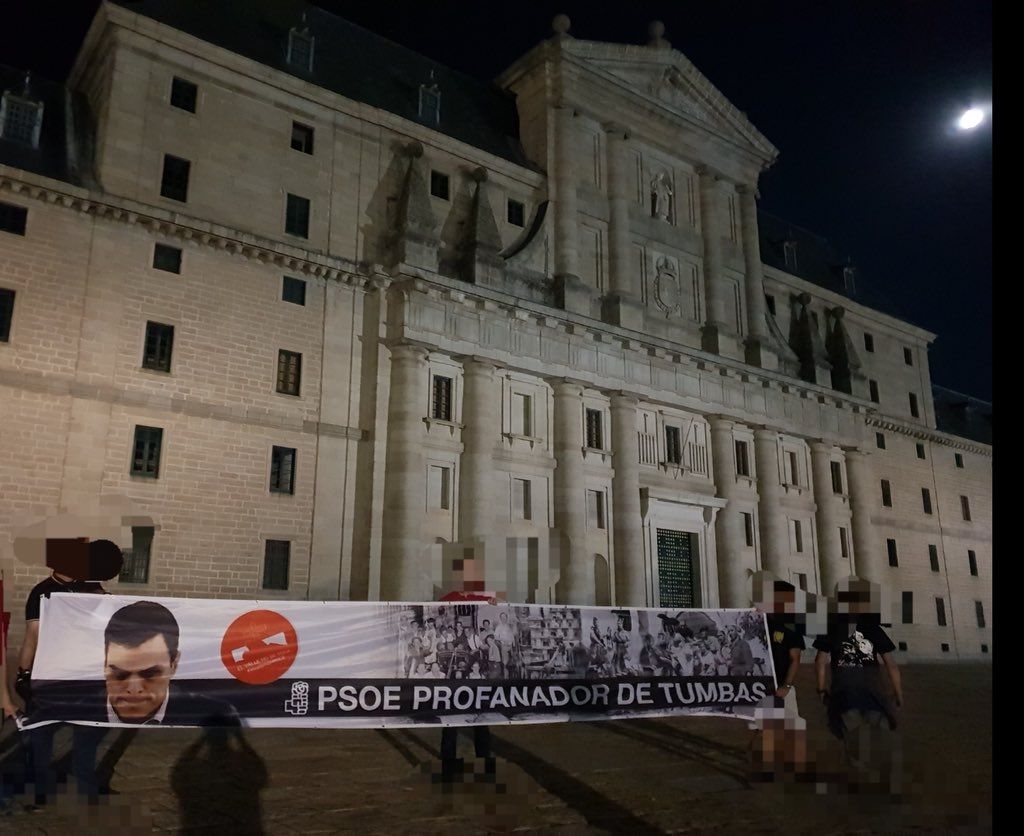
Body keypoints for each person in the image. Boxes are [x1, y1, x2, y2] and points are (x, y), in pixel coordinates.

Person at [5, 557, 111, 802]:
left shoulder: (92, 589)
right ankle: (40, 789)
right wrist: (23, 673)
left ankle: (85, 787)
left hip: (85, 675)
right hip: (49, 673)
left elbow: (109, 625)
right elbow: (33, 636)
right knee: (41, 735)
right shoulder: (41, 592)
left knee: (87, 734)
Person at [813, 578, 903, 792]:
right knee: (880, 735)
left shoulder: (831, 627)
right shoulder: (873, 628)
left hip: (845, 690)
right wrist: (898, 693)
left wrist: (821, 688)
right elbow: (891, 665)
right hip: (873, 691)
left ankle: (860, 779)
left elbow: (819, 661)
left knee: (852, 738)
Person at [747, 578, 809, 782]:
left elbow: (795, 659)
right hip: (762, 685)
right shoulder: (761, 622)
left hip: (782, 686)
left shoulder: (791, 627)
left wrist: (786, 686)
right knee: (760, 728)